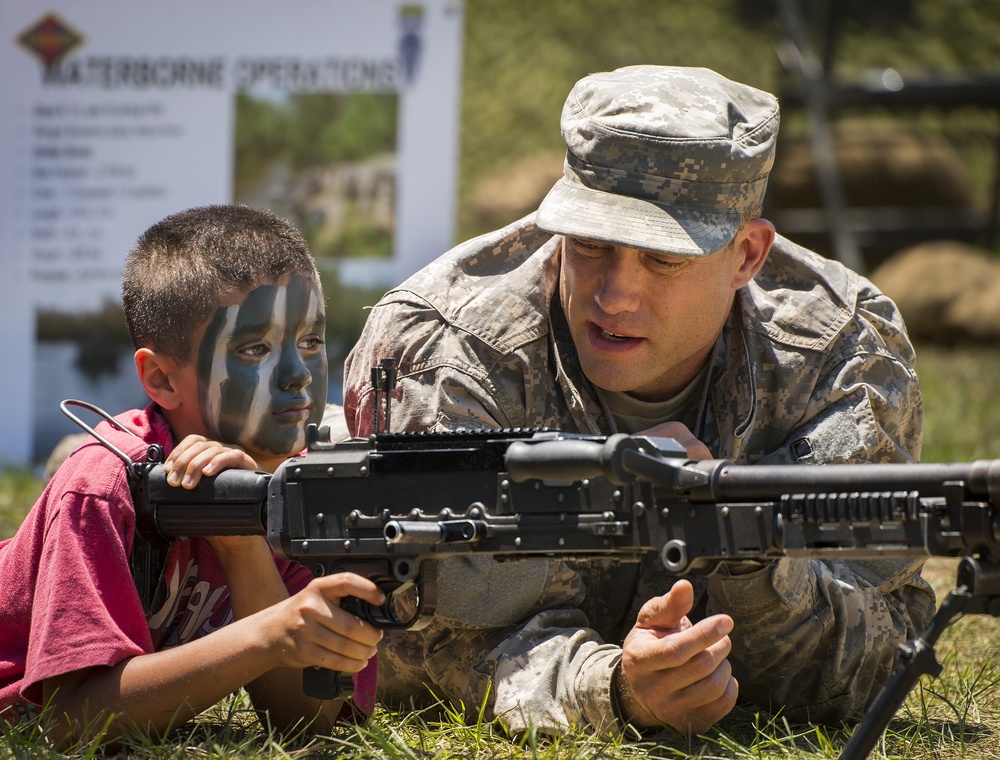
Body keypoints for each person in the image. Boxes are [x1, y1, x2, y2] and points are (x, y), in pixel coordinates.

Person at [342, 66, 936, 738]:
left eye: (664, 259)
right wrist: (618, 692)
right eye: (591, 243)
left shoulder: (842, 352)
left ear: (747, 255)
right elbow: (429, 637)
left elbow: (880, 646)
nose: (614, 294)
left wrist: (749, 554)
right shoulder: (444, 348)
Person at [0, 205, 383, 743]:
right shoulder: (103, 488)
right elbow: (72, 722)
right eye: (255, 349)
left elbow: (303, 722)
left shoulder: (303, 490)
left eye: (312, 342)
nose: (299, 375)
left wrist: (242, 543)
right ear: (161, 378)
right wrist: (267, 635)